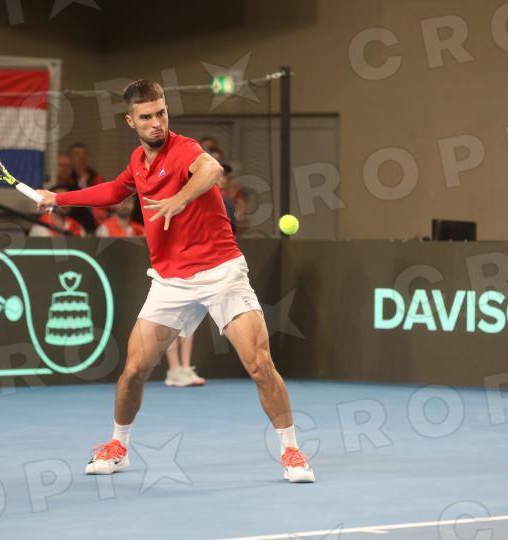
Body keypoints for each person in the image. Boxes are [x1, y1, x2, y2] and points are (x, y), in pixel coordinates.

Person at [36, 80, 315, 483]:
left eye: (161, 113)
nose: (156, 123)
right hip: (170, 281)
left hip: (221, 273)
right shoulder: (138, 160)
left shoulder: (184, 150)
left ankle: (291, 451)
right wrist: (58, 198)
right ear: (131, 121)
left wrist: (180, 198)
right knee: (134, 370)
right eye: (146, 116)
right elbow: (114, 191)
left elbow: (212, 170)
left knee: (259, 364)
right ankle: (118, 446)